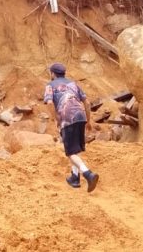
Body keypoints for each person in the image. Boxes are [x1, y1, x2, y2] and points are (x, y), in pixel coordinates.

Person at [43, 62, 99, 192]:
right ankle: (75, 177)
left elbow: (50, 103)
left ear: (52, 73)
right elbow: (87, 102)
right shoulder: (74, 84)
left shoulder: (50, 85)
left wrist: (55, 118)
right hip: (81, 115)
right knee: (75, 149)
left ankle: (88, 174)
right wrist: (88, 120)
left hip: (67, 117)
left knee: (70, 152)